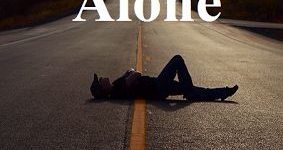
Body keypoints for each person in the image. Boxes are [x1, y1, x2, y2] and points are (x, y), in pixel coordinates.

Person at [90, 55, 238, 102]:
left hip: (159, 88)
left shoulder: (117, 86)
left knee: (191, 88)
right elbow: (135, 73)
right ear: (103, 88)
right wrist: (130, 74)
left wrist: (129, 73)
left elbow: (129, 72)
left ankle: (223, 92)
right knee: (177, 59)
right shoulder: (118, 89)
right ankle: (192, 94)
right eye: (100, 80)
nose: (102, 77)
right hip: (158, 86)